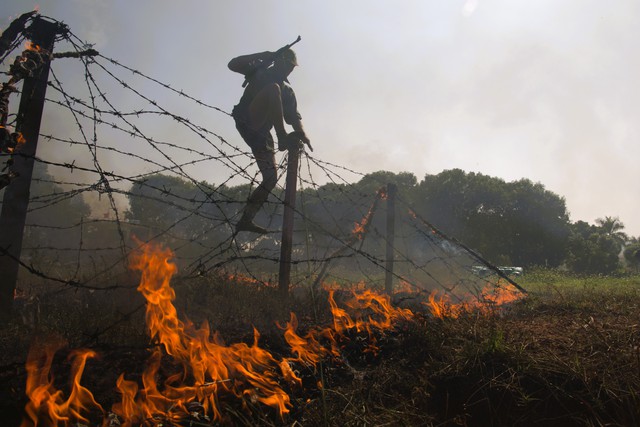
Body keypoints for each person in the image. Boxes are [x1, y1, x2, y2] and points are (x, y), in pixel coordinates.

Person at [229, 47, 311, 234]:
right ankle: (282, 137)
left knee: (270, 178)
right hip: (247, 119)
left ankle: (246, 219)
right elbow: (233, 64)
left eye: (292, 67)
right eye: (287, 65)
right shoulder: (260, 71)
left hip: (261, 133)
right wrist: (262, 55)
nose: (289, 70)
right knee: (273, 90)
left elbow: (294, 117)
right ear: (278, 61)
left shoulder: (287, 91)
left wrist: (302, 134)